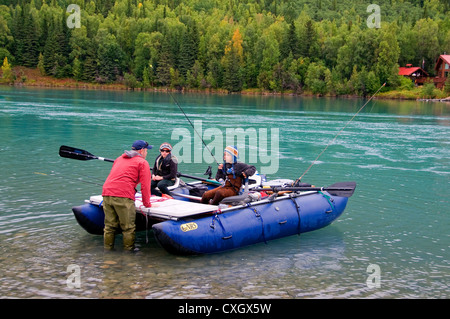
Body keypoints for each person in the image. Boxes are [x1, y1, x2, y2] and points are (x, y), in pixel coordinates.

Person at [102, 140, 152, 251]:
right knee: (128, 228)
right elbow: (145, 186)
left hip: (106, 193)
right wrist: (147, 204)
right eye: (146, 151)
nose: (147, 153)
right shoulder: (142, 162)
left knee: (109, 227)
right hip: (123, 196)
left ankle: (107, 252)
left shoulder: (119, 159)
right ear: (141, 150)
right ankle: (128, 255)